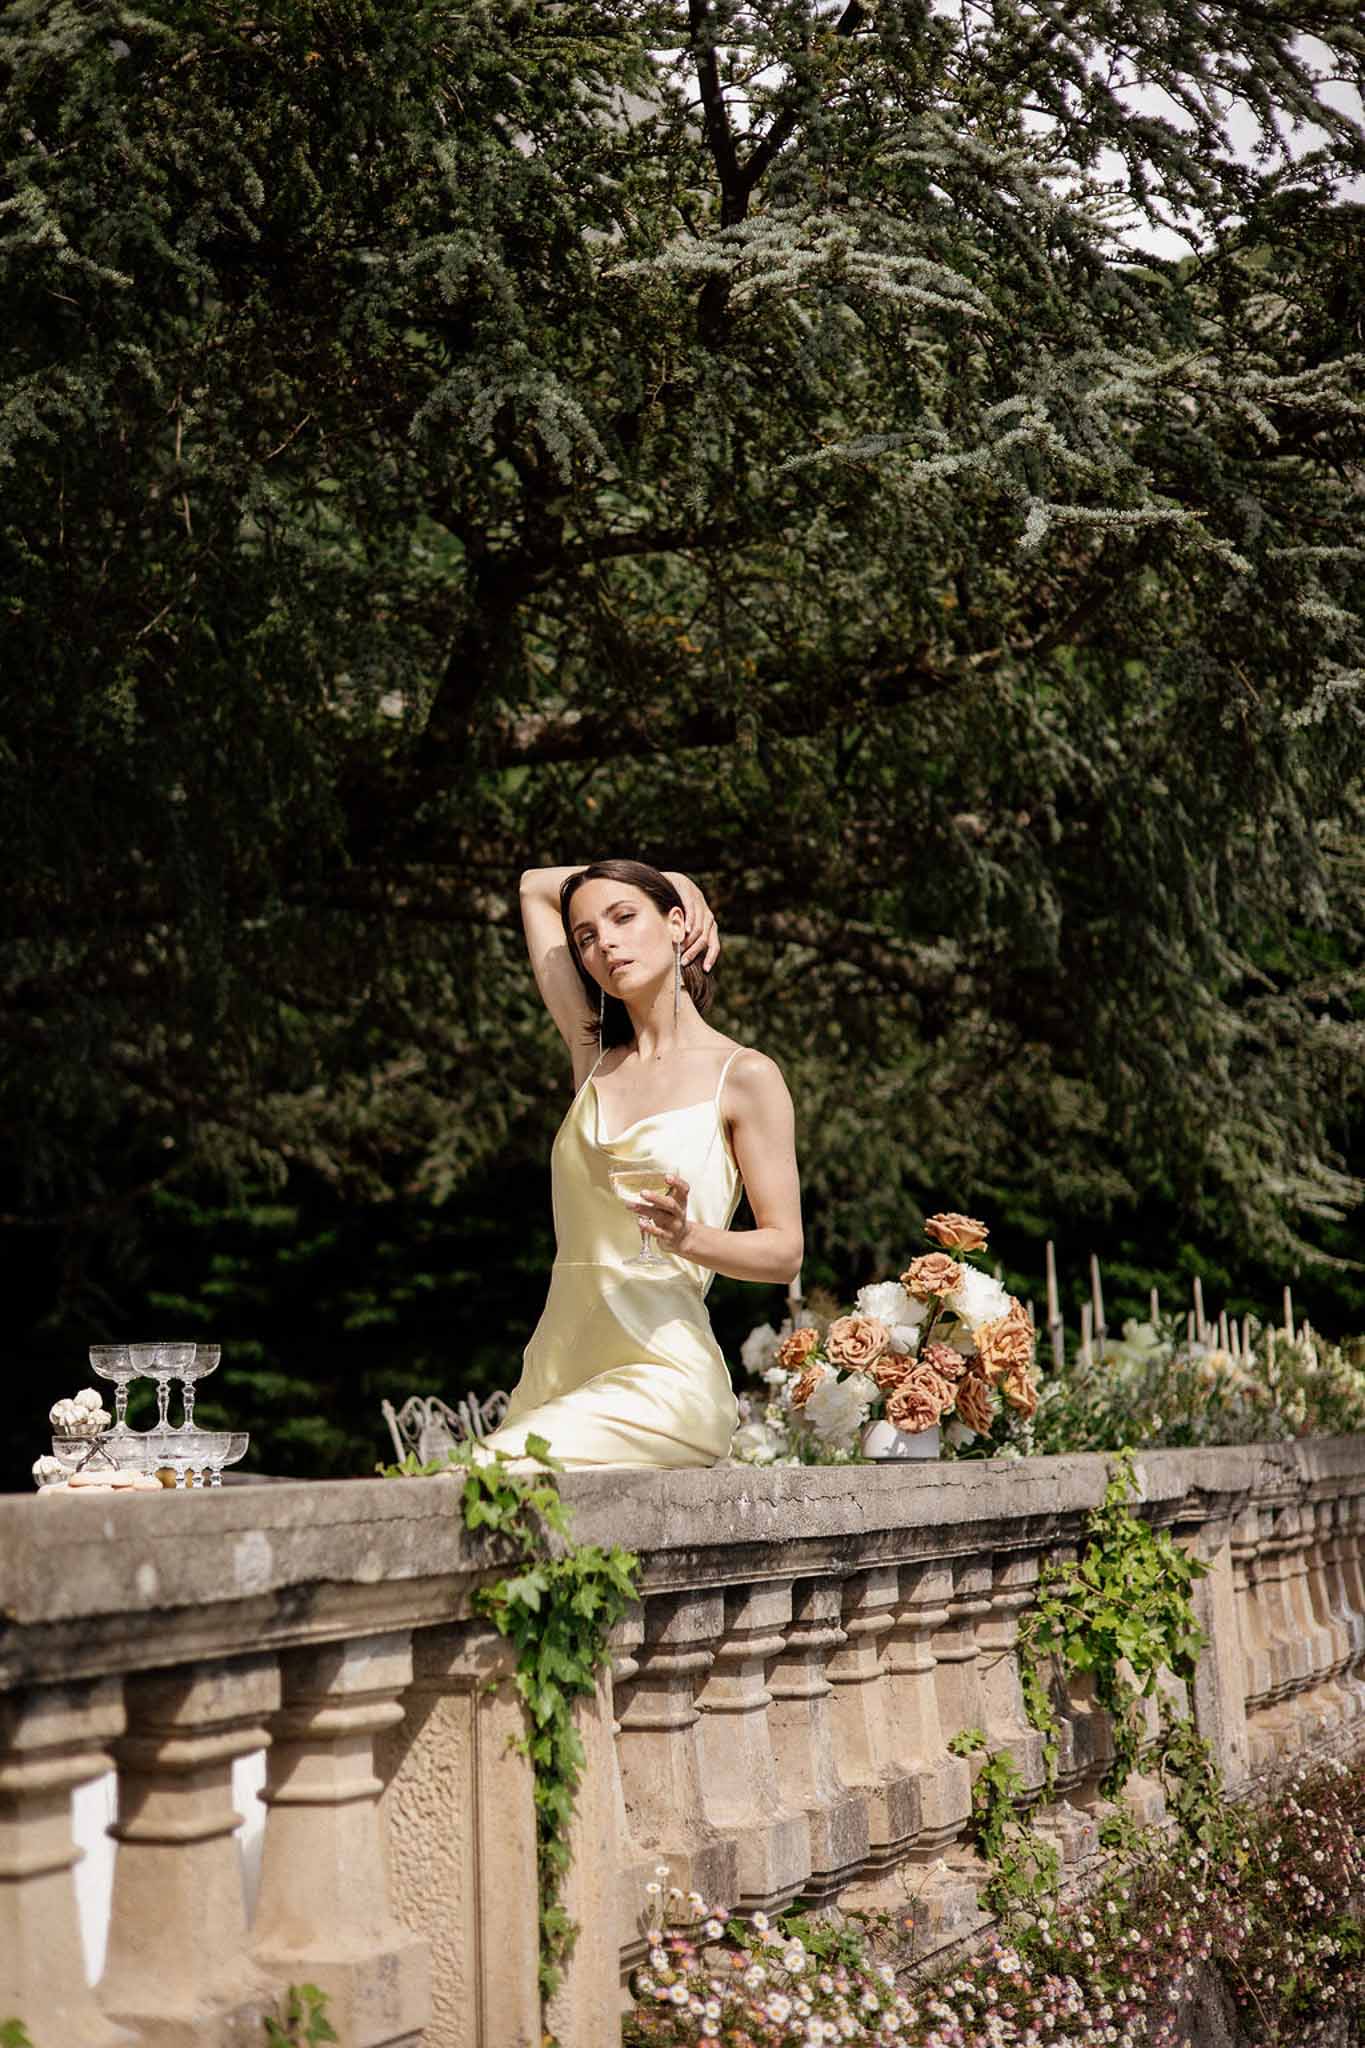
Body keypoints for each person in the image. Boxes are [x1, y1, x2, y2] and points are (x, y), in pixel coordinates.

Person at [478, 860, 803, 1469]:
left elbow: (786, 1252)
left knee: (480, 1479)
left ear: (678, 925)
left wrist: (687, 1236)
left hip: (662, 1381)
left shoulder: (746, 1077)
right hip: (555, 1371)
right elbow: (532, 886)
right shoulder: (592, 1058)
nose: (605, 942)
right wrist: (675, 875)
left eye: (625, 917)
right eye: (586, 937)